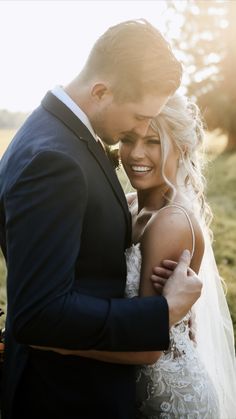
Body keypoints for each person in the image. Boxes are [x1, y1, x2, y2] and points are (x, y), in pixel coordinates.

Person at [0, 19, 202, 419]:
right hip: (64, 399)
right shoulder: (55, 158)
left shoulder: (55, 135)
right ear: (101, 91)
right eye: (140, 116)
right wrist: (163, 313)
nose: (143, 129)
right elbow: (39, 313)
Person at [45, 93, 236, 418]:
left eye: (153, 142)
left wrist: (57, 343)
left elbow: (147, 348)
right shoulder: (132, 204)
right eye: (128, 139)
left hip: (168, 401)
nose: (135, 153)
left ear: (182, 148)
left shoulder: (170, 222)